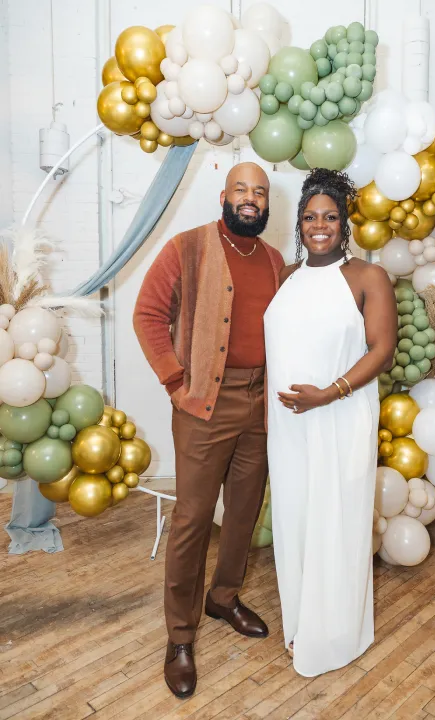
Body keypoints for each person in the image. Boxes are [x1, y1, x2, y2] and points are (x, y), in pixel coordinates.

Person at [134, 162, 284, 698]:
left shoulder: (274, 261)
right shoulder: (188, 248)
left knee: (244, 513)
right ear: (224, 196)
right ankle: (179, 636)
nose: (251, 199)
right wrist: (176, 381)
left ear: (267, 204)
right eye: (242, 189)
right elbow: (148, 313)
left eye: (260, 192)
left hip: (260, 404)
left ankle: (223, 597)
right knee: (193, 519)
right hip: (202, 405)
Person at [264, 168, 398, 677]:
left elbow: (382, 350)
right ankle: (300, 621)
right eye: (310, 217)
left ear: (345, 224)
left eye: (330, 217)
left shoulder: (367, 277)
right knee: (297, 520)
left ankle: (337, 632)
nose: (319, 225)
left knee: (337, 522)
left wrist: (328, 394)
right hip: (289, 424)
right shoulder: (287, 277)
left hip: (341, 416)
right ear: (299, 224)